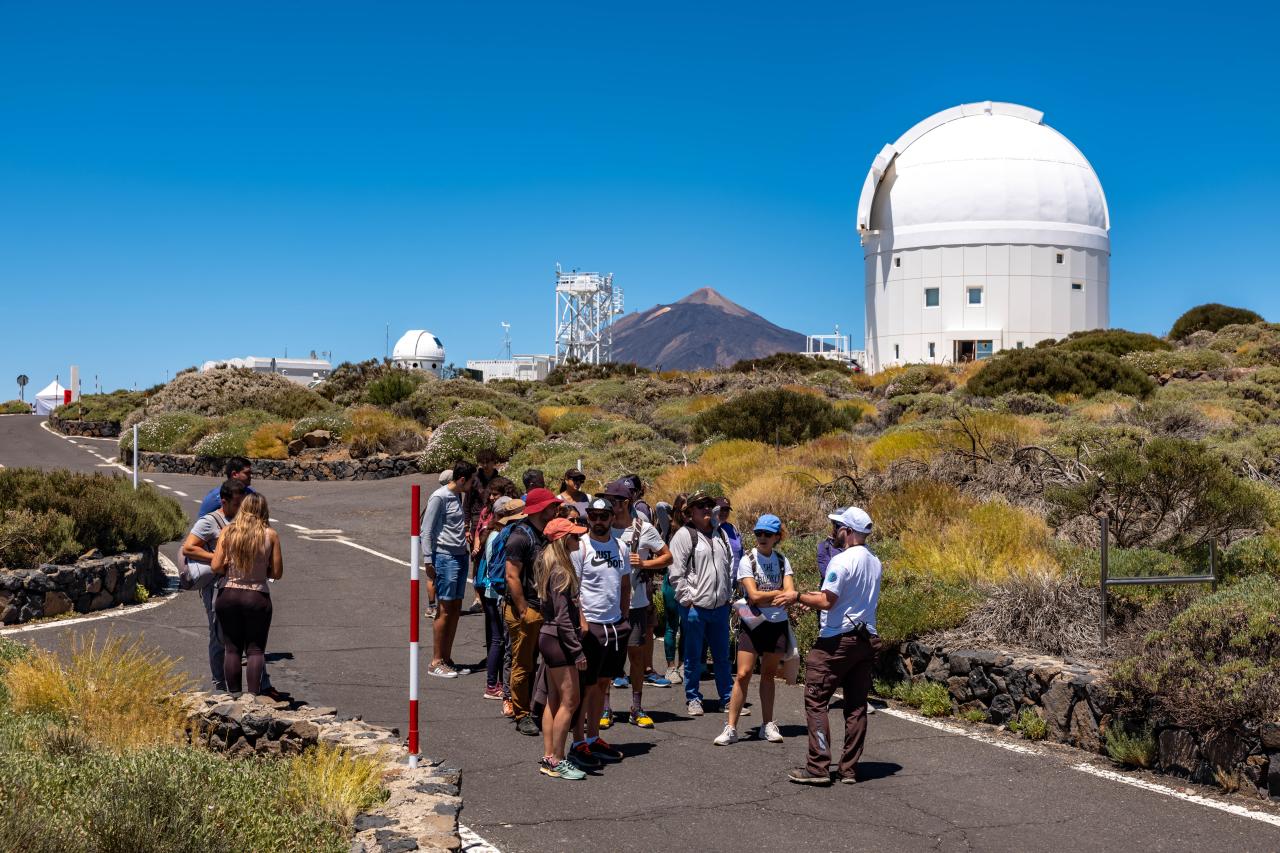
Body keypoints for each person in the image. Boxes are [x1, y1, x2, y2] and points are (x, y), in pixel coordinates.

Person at [789, 507, 883, 786]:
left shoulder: (841, 561)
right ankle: (849, 769)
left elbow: (828, 601)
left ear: (849, 532)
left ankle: (818, 766)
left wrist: (797, 597)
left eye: (839, 527)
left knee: (816, 698)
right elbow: (844, 597)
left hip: (837, 639)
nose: (835, 532)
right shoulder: (874, 561)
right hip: (866, 638)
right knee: (856, 706)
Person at [715, 514, 796, 746]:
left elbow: (790, 594)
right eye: (758, 533)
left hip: (776, 624)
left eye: (767, 534)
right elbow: (754, 596)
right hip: (752, 625)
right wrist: (777, 592)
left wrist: (773, 595)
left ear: (777, 537)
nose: (762, 538)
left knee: (768, 675)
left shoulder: (782, 560)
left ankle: (767, 724)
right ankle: (731, 727)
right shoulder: (747, 560)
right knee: (743, 674)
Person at [604, 479, 672, 729]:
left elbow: (667, 556)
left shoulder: (643, 529)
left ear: (626, 502)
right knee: (608, 659)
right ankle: (605, 708)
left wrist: (644, 564)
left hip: (636, 602)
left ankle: (636, 706)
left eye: (616, 501)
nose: (612, 505)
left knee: (636, 657)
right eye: (609, 500)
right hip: (607, 604)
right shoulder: (602, 527)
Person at [568, 497, 630, 766]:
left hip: (615, 625)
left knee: (604, 684)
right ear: (588, 517)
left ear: (612, 518)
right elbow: (574, 590)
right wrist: (581, 623)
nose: (599, 521)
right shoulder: (580, 547)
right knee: (586, 686)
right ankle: (578, 741)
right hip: (591, 625)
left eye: (604, 517)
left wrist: (624, 617)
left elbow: (625, 583)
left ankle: (593, 737)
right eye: (593, 516)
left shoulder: (621, 547)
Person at [668, 491, 736, 717]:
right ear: (689, 513)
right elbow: (676, 573)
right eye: (700, 506)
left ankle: (727, 699)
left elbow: (728, 567)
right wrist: (688, 601)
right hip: (696, 608)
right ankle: (693, 698)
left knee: (722, 657)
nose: (706, 509)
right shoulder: (684, 536)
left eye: (709, 504)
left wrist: (728, 596)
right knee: (693, 656)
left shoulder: (721, 535)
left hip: (719, 606)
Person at [210, 493, 283, 694]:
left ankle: (233, 697)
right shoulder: (270, 535)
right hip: (257, 595)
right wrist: (261, 571)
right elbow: (277, 572)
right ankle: (253, 697)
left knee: (232, 649)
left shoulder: (228, 531)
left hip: (229, 595)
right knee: (255, 650)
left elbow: (216, 565)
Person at [505, 487, 563, 736]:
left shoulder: (545, 535)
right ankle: (522, 714)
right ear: (540, 509)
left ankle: (539, 707)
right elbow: (511, 575)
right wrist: (523, 609)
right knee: (524, 663)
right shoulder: (520, 537)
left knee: (546, 662)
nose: (556, 510)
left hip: (544, 609)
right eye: (552, 506)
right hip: (526, 609)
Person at [535, 517, 590, 780]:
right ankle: (557, 759)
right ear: (562, 540)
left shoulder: (550, 565)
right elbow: (564, 618)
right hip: (559, 640)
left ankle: (549, 756)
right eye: (575, 536)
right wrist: (577, 651)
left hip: (549, 637)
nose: (578, 539)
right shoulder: (561, 572)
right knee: (570, 701)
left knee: (553, 700)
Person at [181, 478, 247, 691]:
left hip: (239, 585)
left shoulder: (242, 520)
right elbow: (188, 548)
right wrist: (216, 558)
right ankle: (219, 685)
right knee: (218, 635)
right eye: (237, 504)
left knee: (239, 636)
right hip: (216, 587)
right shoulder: (209, 521)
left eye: (242, 504)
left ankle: (236, 687)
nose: (240, 508)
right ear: (224, 501)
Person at [422, 460, 478, 678]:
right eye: (471, 481)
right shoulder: (440, 497)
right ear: (462, 480)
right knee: (444, 609)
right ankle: (435, 661)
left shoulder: (458, 495)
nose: (473, 485)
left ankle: (447, 658)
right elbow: (426, 530)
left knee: (455, 609)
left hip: (459, 555)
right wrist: (428, 560)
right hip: (444, 557)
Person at [478, 496, 524, 701]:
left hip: (491, 592)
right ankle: (492, 684)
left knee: (496, 640)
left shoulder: (494, 534)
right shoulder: (500, 537)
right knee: (499, 641)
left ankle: (494, 682)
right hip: (496, 593)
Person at [660, 493, 690, 684]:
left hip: (690, 582)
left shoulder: (695, 530)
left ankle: (683, 664)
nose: (689, 514)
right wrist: (674, 511)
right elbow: (659, 505)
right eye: (685, 510)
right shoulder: (669, 528)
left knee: (687, 627)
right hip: (671, 582)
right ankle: (671, 667)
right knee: (672, 625)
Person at [425, 468, 453, 620]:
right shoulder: (444, 496)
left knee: (432, 577)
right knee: (433, 576)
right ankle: (434, 606)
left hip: (433, 542)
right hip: (437, 543)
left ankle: (432, 606)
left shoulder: (437, 495)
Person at [817, 509, 850, 576]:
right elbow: (827, 574)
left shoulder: (858, 548)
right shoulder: (825, 547)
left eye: (837, 525)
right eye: (835, 525)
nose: (835, 528)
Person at [714, 497, 744, 567]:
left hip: (738, 575)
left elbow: (741, 552)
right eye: (721, 509)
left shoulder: (733, 528)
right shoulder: (711, 530)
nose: (724, 512)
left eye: (727, 510)